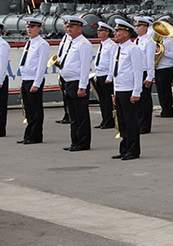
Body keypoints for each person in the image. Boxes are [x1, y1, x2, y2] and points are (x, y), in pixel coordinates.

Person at [56, 15, 93, 152]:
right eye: (68, 27)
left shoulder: (83, 44)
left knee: (81, 114)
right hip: (68, 81)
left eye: (72, 27)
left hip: (77, 82)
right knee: (73, 114)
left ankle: (83, 142)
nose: (68, 29)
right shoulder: (70, 42)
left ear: (79, 28)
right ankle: (75, 141)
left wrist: (82, 86)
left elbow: (85, 67)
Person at [109, 20, 143, 160]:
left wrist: (136, 92)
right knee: (122, 122)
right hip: (120, 89)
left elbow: (137, 72)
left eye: (118, 31)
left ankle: (133, 150)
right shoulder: (118, 48)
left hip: (129, 90)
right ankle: (124, 148)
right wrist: (114, 92)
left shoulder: (133, 49)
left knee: (130, 122)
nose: (115, 33)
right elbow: (116, 72)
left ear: (126, 33)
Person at [17, 17, 50, 145]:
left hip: (34, 79)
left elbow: (41, 65)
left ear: (39, 28)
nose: (29, 29)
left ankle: (35, 135)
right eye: (28, 27)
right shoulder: (29, 43)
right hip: (26, 78)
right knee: (28, 109)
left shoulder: (42, 44)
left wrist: (37, 83)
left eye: (32, 27)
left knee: (35, 109)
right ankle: (29, 134)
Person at [134, 16, 157, 134]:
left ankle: (145, 125)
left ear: (145, 28)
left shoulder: (149, 42)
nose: (136, 28)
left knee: (145, 100)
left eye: (139, 26)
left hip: (144, 72)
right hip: (136, 72)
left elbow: (150, 60)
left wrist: (149, 76)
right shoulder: (136, 41)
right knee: (137, 100)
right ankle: (138, 123)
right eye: (136, 26)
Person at [90, 22, 116, 129]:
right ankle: (104, 120)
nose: (98, 32)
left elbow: (112, 62)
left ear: (107, 32)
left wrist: (110, 77)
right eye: (98, 31)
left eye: (101, 31)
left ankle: (109, 121)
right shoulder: (102, 44)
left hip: (106, 75)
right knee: (102, 99)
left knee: (108, 100)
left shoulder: (111, 45)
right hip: (100, 74)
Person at [154, 18, 173, 119]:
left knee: (165, 90)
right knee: (160, 90)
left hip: (166, 68)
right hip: (159, 67)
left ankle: (168, 111)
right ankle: (164, 109)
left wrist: (163, 52)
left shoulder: (170, 40)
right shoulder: (160, 40)